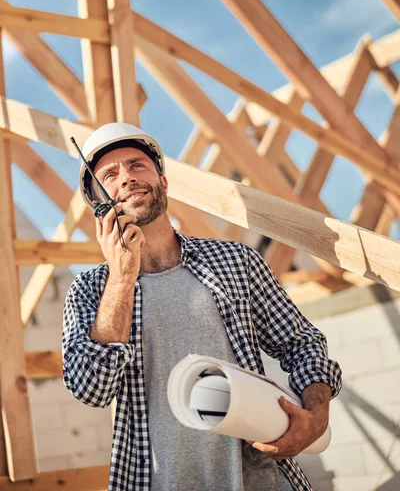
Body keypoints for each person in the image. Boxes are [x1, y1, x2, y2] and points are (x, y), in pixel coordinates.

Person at [62, 123, 342, 491]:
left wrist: (317, 411)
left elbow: (302, 343)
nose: (127, 178)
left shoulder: (235, 261)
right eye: (110, 175)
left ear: (163, 182)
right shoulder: (88, 291)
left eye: (137, 165)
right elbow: (90, 388)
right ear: (100, 205)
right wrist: (120, 278)